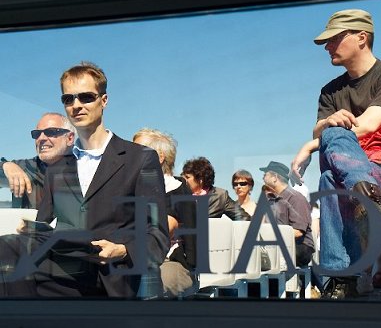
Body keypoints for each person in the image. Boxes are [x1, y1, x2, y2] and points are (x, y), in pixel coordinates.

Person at [0, 62, 169, 297]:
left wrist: (122, 250)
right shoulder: (58, 168)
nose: (76, 105)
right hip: (60, 269)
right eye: (68, 99)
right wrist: (32, 230)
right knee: (7, 249)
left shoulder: (139, 159)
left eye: (86, 97)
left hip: (109, 274)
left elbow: (158, 236)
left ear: (104, 100)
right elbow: (44, 229)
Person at [291, 9, 381, 298]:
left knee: (333, 158)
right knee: (330, 180)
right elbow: (320, 129)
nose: (327, 46)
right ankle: (367, 203)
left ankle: (342, 279)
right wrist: (322, 130)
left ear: (362, 37)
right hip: (359, 185)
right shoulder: (330, 91)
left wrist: (311, 144)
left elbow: (368, 124)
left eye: (334, 38)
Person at [133, 128, 196, 297]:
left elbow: (159, 231)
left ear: (159, 157)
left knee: (145, 286)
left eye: (137, 151)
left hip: (171, 263)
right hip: (136, 259)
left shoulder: (176, 191)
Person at [0, 113, 75, 209]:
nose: (41, 138)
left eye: (51, 132)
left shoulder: (86, 170)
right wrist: (5, 166)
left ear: (70, 138)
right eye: (37, 134)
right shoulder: (25, 168)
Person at [260, 161, 314, 267]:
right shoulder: (269, 200)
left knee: (265, 257)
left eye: (265, 174)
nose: (263, 178)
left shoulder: (295, 198)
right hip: (278, 245)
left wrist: (270, 238)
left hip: (300, 247)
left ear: (275, 177)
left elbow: (298, 232)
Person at [182, 157, 250, 220]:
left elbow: (244, 218)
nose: (183, 180)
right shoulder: (178, 193)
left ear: (200, 179)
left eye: (187, 177)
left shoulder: (220, 196)